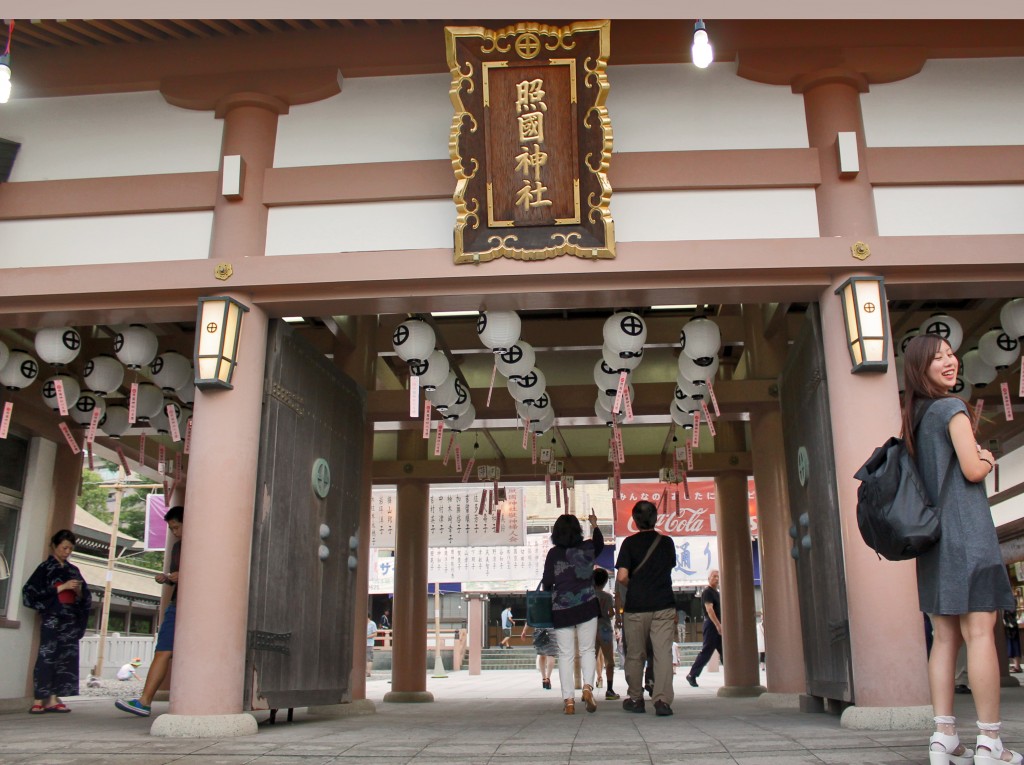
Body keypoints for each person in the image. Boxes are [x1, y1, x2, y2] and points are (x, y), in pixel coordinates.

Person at [903, 333, 1019, 765]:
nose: (950, 362)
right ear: (921, 368)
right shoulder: (951, 408)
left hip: (934, 543)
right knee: (980, 633)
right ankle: (990, 743)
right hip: (968, 535)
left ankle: (944, 736)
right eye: (939, 358)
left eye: (951, 355)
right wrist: (988, 459)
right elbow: (972, 469)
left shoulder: (913, 417)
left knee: (943, 637)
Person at [116, 505, 183, 717]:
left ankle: (145, 700)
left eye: (176, 527)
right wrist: (169, 577)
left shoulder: (202, 544)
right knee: (163, 650)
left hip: (196, 607)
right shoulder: (177, 547)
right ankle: (144, 700)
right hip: (177, 602)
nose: (175, 532)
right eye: (171, 528)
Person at [615, 500, 676, 717]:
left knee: (635, 654)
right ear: (656, 518)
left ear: (634, 521)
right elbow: (667, 568)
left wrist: (637, 585)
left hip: (636, 608)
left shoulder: (629, 544)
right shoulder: (667, 542)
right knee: (662, 654)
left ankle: (635, 699)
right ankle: (662, 701)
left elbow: (622, 576)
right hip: (664, 606)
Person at [22, 529, 92, 714]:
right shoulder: (45, 568)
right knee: (47, 655)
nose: (67, 552)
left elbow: (85, 597)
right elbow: (30, 593)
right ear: (55, 545)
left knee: (64, 657)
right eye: (64, 547)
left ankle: (54, 697)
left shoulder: (73, 570)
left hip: (69, 619)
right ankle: (39, 698)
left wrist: (78, 593)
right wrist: (61, 588)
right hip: (53, 617)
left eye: (70, 548)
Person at [541, 511, 603, 715]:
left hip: (562, 608)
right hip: (586, 604)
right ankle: (587, 687)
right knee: (588, 650)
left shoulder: (553, 554)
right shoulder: (586, 548)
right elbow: (599, 544)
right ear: (578, 530)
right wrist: (594, 524)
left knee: (565, 654)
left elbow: (548, 582)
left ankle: (568, 701)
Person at [686, 569, 723, 688]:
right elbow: (709, 609)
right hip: (712, 625)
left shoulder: (717, 592)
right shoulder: (707, 592)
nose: (716, 578)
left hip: (718, 625)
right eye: (714, 576)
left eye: (718, 576)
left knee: (725, 652)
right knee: (707, 651)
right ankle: (692, 674)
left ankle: (735, 677)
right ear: (709, 578)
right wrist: (718, 625)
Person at [593, 567, 619, 700]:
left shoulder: (589, 596)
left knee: (591, 659)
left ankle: (588, 690)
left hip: (591, 630)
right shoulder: (608, 597)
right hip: (605, 629)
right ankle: (609, 690)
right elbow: (611, 613)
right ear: (604, 582)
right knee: (609, 660)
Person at [521, 623, 556, 689]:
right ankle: (548, 678)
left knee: (541, 654)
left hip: (539, 629)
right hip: (551, 628)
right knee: (551, 654)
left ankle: (544, 679)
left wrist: (524, 630)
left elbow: (529, 618)